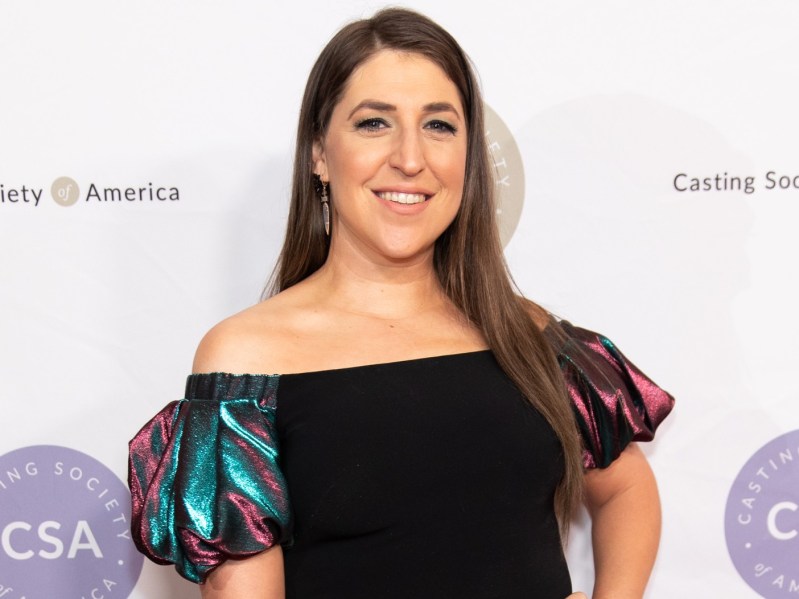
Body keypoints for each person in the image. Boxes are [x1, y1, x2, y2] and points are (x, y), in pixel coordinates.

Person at [128, 7, 674, 599]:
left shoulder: (528, 335)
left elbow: (625, 490)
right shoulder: (247, 360)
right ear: (318, 152)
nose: (411, 158)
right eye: (373, 124)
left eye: (439, 126)